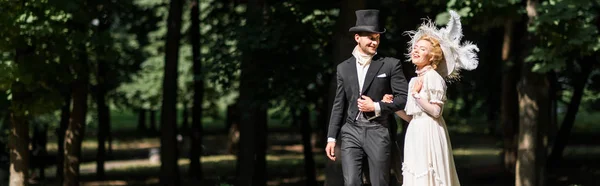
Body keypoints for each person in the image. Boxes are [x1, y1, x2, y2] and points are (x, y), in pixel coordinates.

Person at [382, 10, 479, 186]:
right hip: (415, 132)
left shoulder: (434, 78)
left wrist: (417, 95)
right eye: (416, 48)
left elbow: (436, 111)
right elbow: (411, 117)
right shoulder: (413, 81)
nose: (416, 50)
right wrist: (394, 107)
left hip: (430, 132)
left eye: (422, 49)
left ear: (432, 56)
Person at [325, 9, 409, 186]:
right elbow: (339, 105)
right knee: (352, 182)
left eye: (377, 38)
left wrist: (377, 106)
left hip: (378, 130)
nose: (375, 42)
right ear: (357, 38)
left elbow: (404, 98)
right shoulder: (343, 68)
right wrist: (331, 138)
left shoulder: (390, 65)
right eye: (371, 38)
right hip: (351, 131)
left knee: (379, 182)